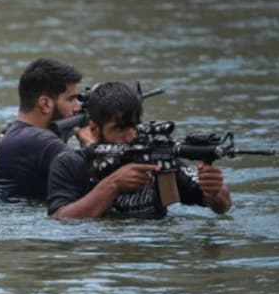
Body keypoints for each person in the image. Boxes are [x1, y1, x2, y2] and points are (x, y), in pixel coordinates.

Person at [47, 81, 231, 219]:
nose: (130, 136)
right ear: (94, 130)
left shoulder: (157, 160)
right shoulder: (70, 163)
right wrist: (113, 184)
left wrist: (213, 191)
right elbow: (60, 219)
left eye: (135, 126)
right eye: (119, 128)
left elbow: (222, 206)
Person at [0, 58, 93, 201]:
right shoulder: (41, 141)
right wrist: (91, 144)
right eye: (71, 99)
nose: (77, 107)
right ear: (45, 104)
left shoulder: (8, 133)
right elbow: (97, 180)